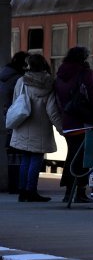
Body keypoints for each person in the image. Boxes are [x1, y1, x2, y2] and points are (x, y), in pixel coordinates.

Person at [10, 54, 64, 202]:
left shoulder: (21, 81)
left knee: (25, 158)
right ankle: (31, 191)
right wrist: (61, 129)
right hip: (40, 128)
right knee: (36, 159)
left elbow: (16, 102)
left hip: (23, 124)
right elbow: (52, 111)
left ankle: (22, 191)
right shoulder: (48, 83)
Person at [54, 46, 93, 203]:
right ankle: (80, 192)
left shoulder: (60, 75)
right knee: (82, 158)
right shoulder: (86, 73)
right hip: (84, 122)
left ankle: (69, 191)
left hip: (68, 122)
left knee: (72, 156)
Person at [1, 51, 28, 194]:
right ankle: (19, 186)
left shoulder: (3, 76)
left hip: (8, 118)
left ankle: (12, 185)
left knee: (11, 156)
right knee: (21, 155)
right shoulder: (18, 79)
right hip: (18, 119)